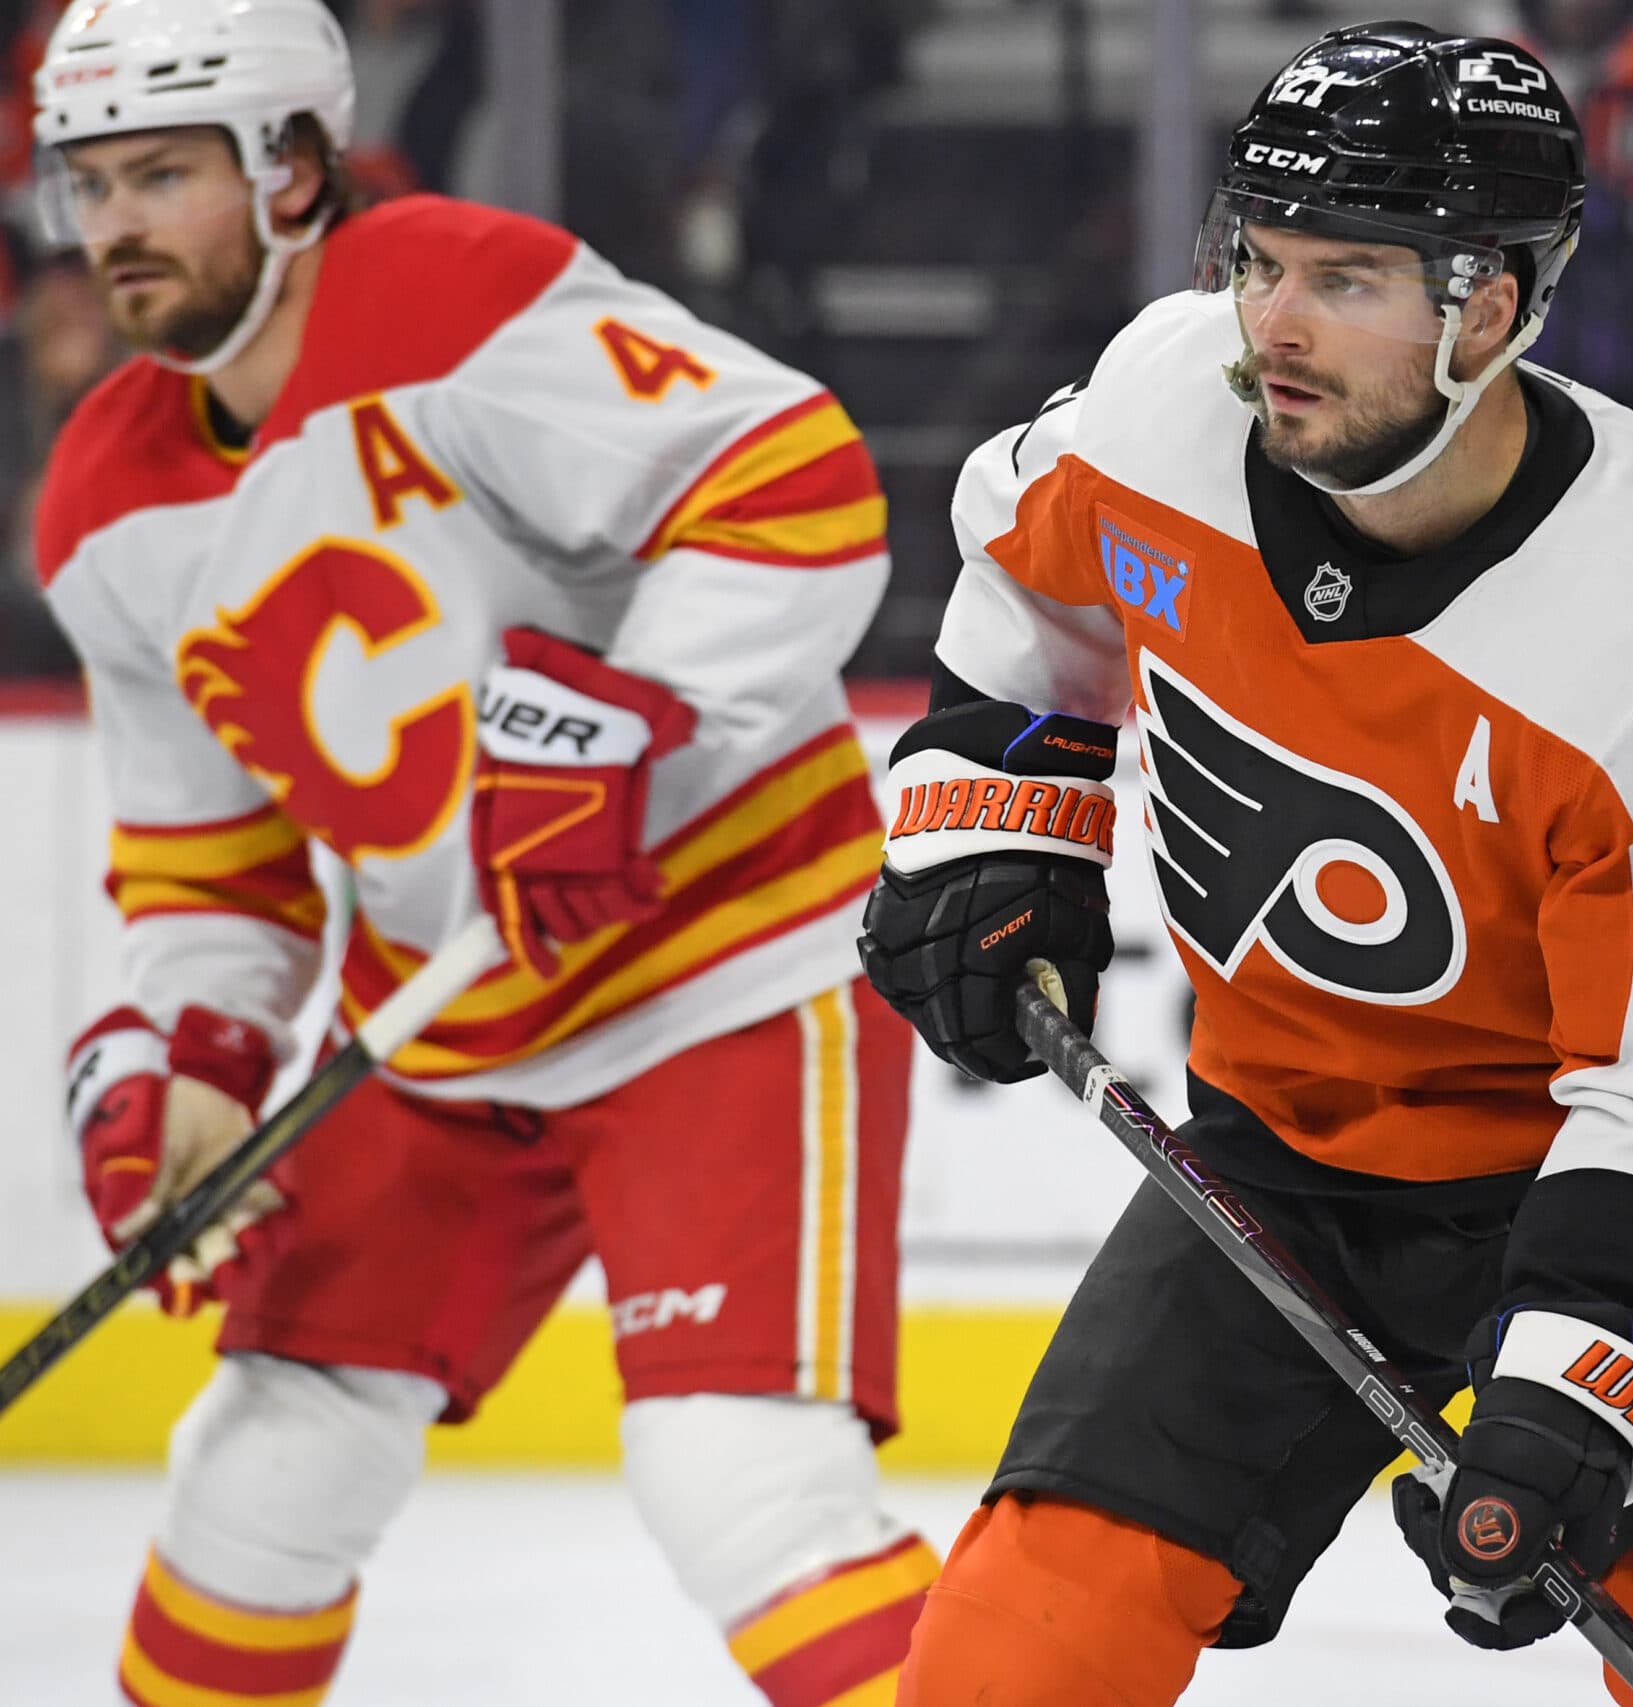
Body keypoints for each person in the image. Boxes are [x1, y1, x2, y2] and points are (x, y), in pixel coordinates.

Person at [859, 21, 1633, 1706]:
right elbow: (1025, 597)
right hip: (1294, 1159)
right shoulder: (1165, 404)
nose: (1273, 330)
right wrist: (1002, 824)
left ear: (1491, 309)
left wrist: (1576, 1380)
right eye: (1261, 260)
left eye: (1349, 280)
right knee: (1016, 1653)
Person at [33, 3, 931, 1703]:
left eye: (163, 174)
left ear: (290, 170)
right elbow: (209, 861)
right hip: (442, 1027)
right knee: (257, 1476)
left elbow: (790, 477)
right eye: (92, 184)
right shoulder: (104, 498)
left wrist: (625, 723)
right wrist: (197, 1055)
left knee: (743, 1481)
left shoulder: (450, 292)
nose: (116, 227)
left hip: (719, 966)